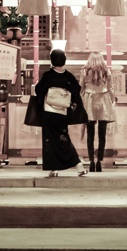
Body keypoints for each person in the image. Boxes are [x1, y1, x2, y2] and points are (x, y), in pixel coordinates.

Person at [34, 49, 87, 177]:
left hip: (49, 112)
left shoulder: (48, 76)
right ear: (64, 60)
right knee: (64, 139)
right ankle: (76, 165)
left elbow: (38, 90)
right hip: (62, 113)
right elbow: (77, 90)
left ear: (51, 60)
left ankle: (56, 168)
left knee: (50, 141)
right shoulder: (69, 76)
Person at [80, 51, 116, 173]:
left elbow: (81, 88)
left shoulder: (85, 71)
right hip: (103, 102)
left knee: (90, 135)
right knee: (102, 135)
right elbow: (111, 88)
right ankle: (99, 161)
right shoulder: (106, 71)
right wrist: (112, 100)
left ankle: (91, 162)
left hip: (89, 101)